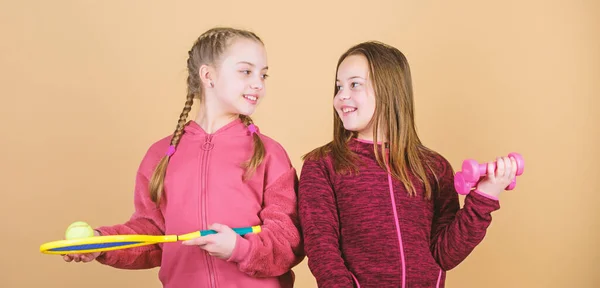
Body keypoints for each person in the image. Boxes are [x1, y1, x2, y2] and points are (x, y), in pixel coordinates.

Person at [63, 27, 304, 288]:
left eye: (263, 74)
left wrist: (238, 248)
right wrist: (101, 243)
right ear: (208, 75)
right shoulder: (160, 155)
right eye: (246, 71)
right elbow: (152, 236)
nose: (259, 83)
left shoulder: (269, 154)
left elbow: (288, 239)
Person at [297, 41, 518, 288]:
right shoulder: (323, 165)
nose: (341, 96)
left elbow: (445, 254)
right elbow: (321, 249)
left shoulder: (433, 168)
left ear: (389, 89)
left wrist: (485, 195)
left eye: (355, 84)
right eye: (339, 87)